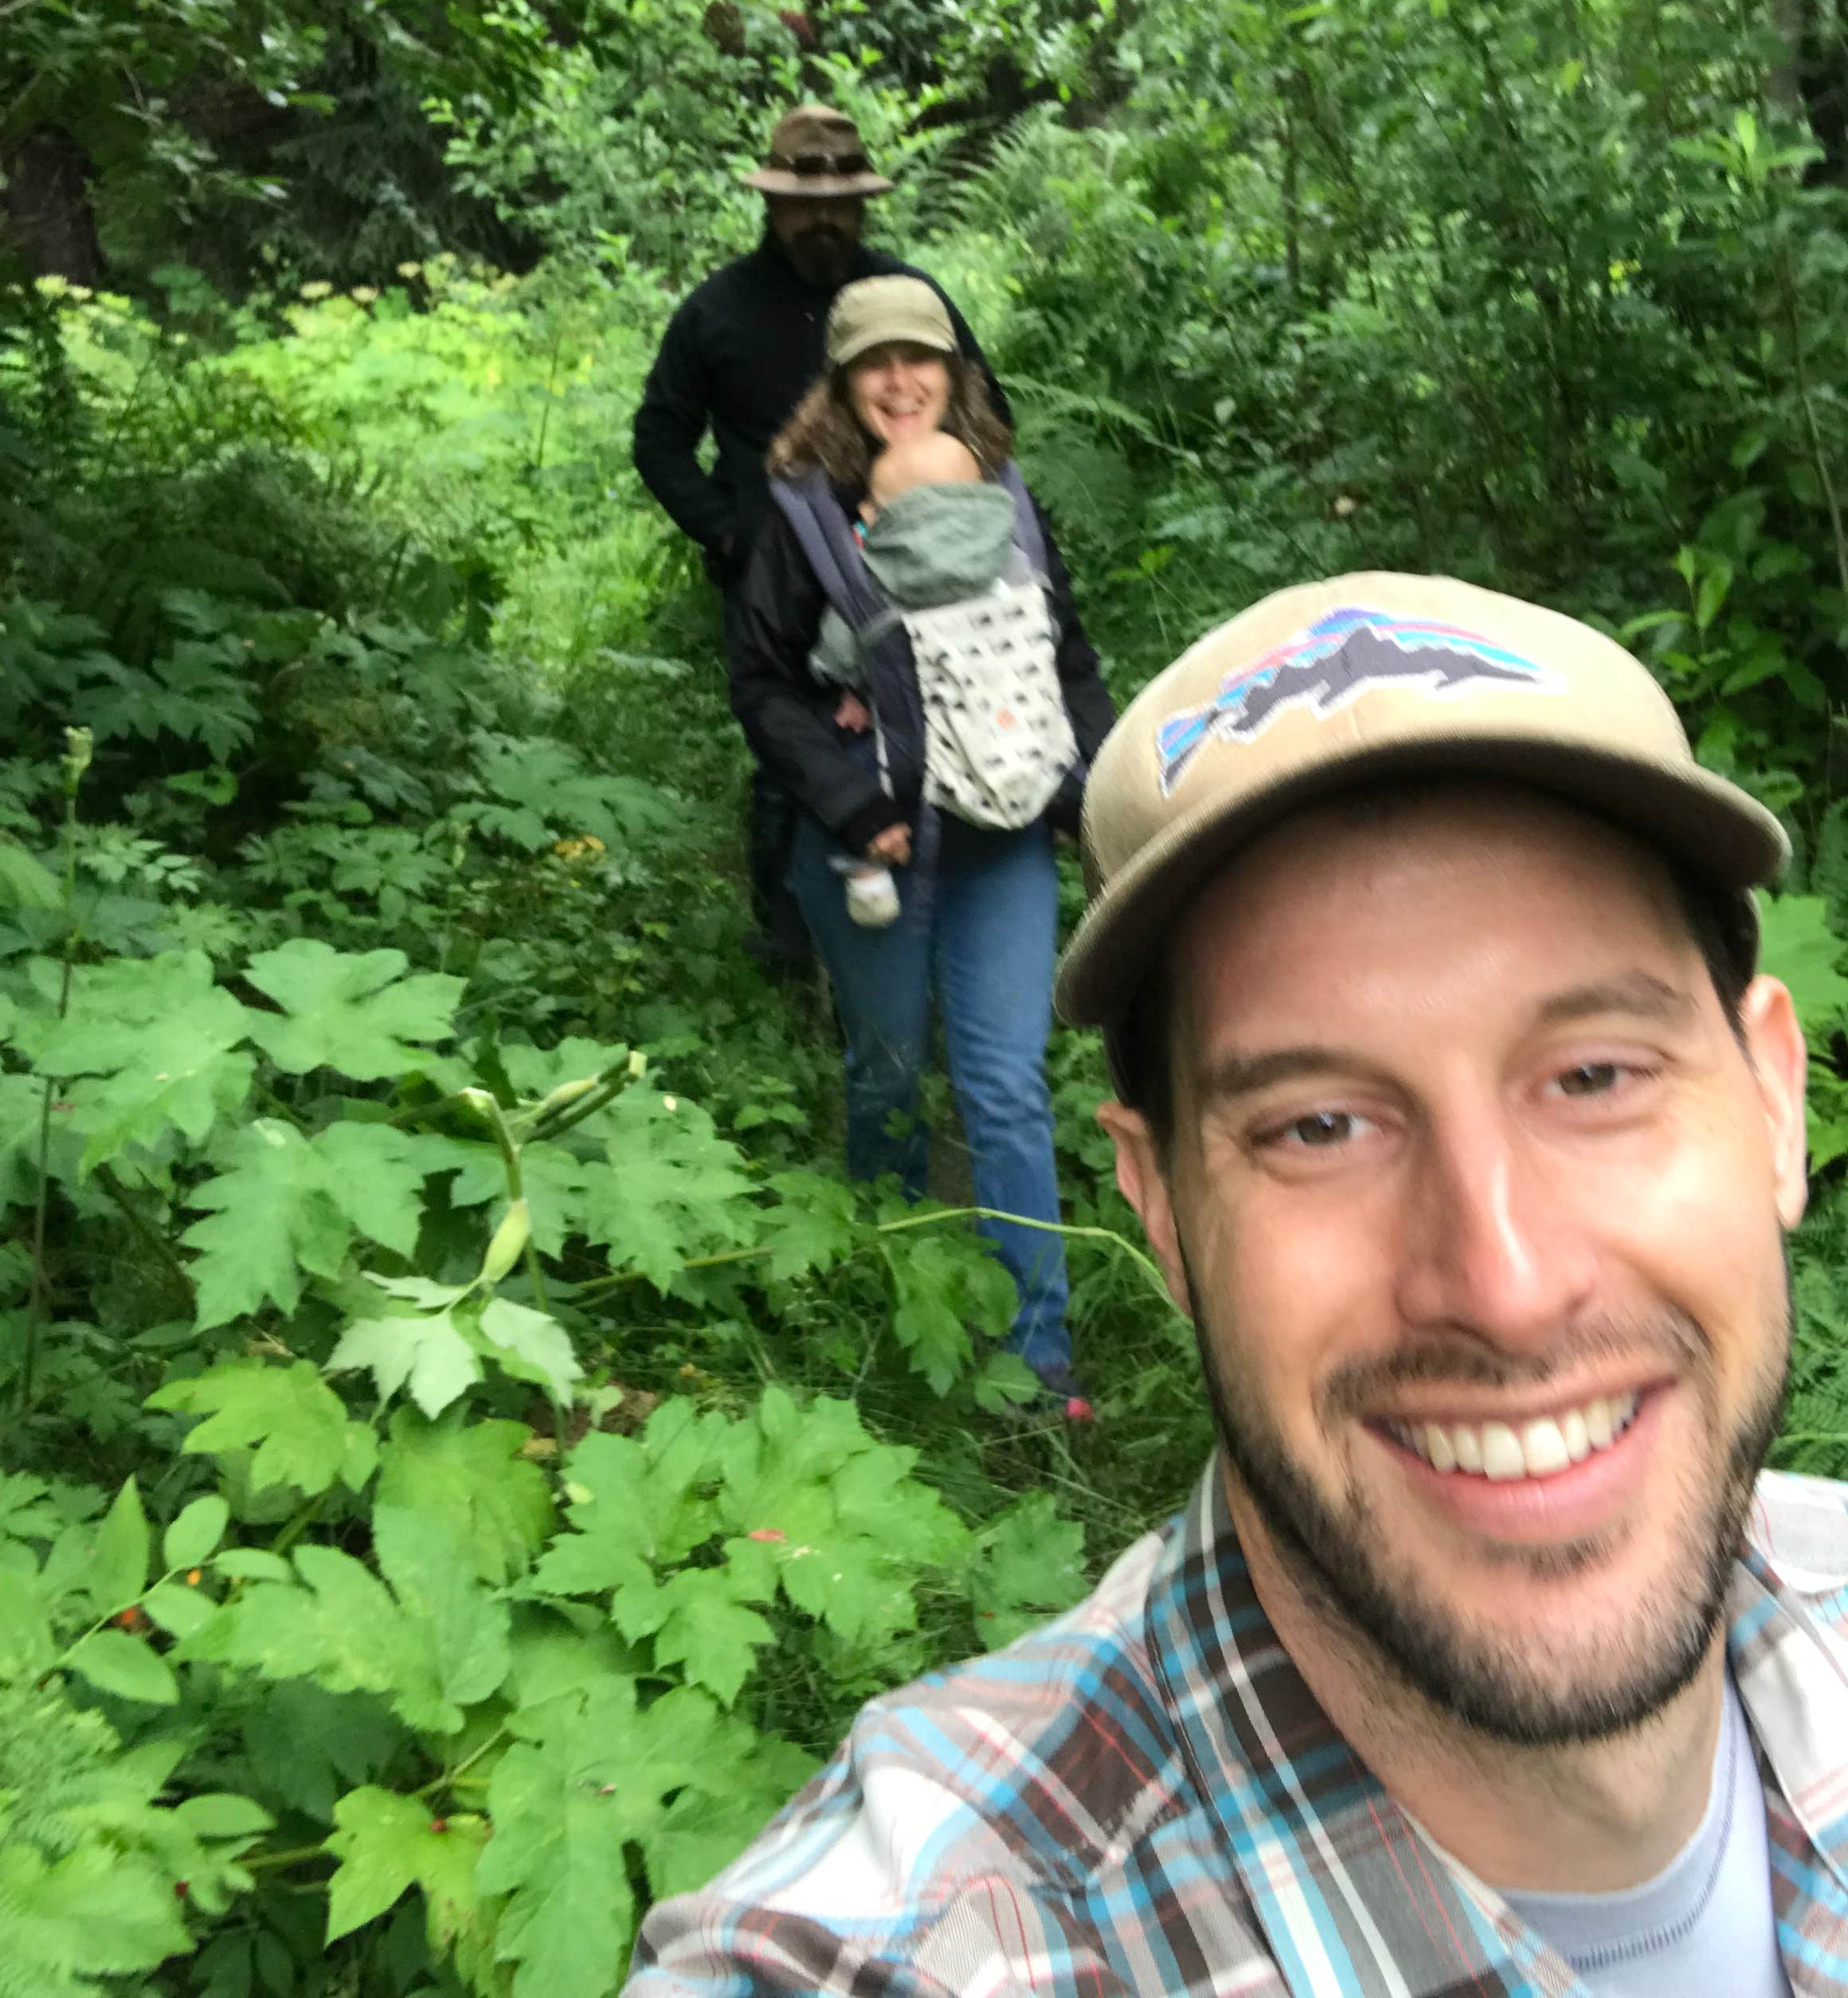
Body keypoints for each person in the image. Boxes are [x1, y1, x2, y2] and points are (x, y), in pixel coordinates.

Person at [629, 569, 1848, 1997]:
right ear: (1160, 1210)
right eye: (1317, 1125)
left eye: (1594, 1075)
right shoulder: (937, 1943)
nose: (1507, 1283)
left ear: (1774, 1100)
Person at [728, 273, 1114, 1409]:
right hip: (870, 846)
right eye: (874, 363)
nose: (902, 381)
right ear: (842, 384)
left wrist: (1084, 788)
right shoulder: (799, 514)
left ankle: (1037, 1355)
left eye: (922, 359)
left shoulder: (1003, 497)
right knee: (888, 1072)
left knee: (1004, 1085)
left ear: (956, 372)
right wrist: (854, 805)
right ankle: (895, 1299)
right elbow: (762, 681)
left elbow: (1066, 659)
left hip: (998, 840)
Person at [631, 103, 1000, 965]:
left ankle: (938, 903)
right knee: (786, 739)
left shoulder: (907, 303)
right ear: (772, 202)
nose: (823, 217)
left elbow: (984, 412)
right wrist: (727, 533)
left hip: (914, 566)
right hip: (775, 576)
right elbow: (659, 437)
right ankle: (791, 933)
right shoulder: (717, 312)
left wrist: (960, 522)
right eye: (805, 200)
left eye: (841, 199)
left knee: (930, 721)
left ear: (864, 203)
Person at [808, 422, 1079, 929]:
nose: (864, 511)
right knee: (1049, 728)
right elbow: (1052, 634)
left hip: (923, 764)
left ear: (900, 517)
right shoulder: (1019, 563)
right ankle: (1066, 804)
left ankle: (870, 870)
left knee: (856, 749)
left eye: (874, 503)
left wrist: (848, 688)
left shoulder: (877, 577)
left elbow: (839, 651)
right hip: (1020, 729)